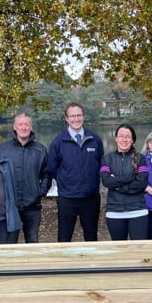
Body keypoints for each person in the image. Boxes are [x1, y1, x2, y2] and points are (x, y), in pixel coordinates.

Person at [47, 102, 104, 242]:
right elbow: (52, 167)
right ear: (67, 118)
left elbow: (101, 164)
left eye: (79, 115)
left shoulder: (95, 139)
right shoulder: (58, 141)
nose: (76, 119)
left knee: (91, 238)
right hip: (67, 198)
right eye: (72, 116)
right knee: (64, 238)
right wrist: (65, 180)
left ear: (83, 117)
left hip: (91, 197)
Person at [0, 113, 51, 243]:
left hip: (32, 206)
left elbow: (47, 174)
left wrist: (41, 191)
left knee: (32, 241)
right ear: (15, 127)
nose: (24, 127)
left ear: (31, 127)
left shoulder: (40, 150)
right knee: (10, 243)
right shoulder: (2, 150)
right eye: (20, 124)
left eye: (27, 124)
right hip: (10, 206)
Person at [100, 124, 149, 240]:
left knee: (139, 248)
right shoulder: (107, 158)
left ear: (132, 140)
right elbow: (106, 181)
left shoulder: (141, 158)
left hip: (138, 211)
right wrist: (130, 177)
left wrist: (117, 185)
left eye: (128, 136)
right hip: (114, 212)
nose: (124, 139)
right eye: (121, 136)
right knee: (119, 248)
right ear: (116, 138)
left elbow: (142, 183)